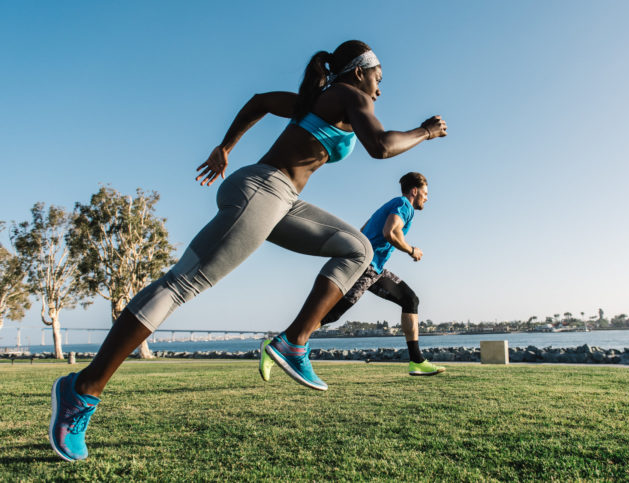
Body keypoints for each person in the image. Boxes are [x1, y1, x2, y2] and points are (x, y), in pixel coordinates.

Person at [49, 40, 447, 462]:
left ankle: (293, 342)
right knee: (182, 284)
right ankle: (82, 390)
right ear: (358, 71)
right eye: (378, 78)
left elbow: (260, 101)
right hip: (265, 189)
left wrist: (227, 146)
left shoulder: (318, 101)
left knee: (358, 249)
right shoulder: (348, 94)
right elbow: (381, 145)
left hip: (283, 200)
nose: (379, 89)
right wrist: (425, 131)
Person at [259, 172, 445, 380]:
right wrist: (412, 250)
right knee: (333, 314)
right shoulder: (404, 205)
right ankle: (281, 342)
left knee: (410, 299)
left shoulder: (391, 205)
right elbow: (390, 233)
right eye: (425, 193)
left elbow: (364, 229)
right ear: (414, 191)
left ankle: (417, 361)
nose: (427, 198)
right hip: (366, 267)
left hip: (375, 269)